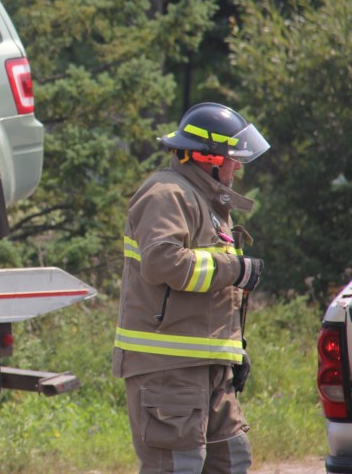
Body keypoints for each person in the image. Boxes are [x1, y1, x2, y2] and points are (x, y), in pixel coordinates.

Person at [113, 102, 271, 474]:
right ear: (207, 157)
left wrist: (230, 353)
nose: (238, 167)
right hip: (168, 371)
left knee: (232, 459)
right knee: (177, 467)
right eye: (233, 158)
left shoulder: (206, 200)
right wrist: (235, 268)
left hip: (207, 365)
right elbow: (162, 262)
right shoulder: (167, 194)